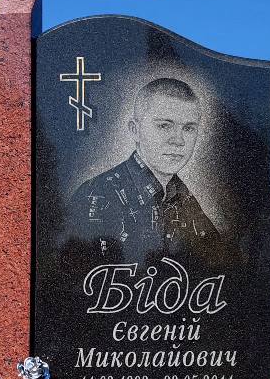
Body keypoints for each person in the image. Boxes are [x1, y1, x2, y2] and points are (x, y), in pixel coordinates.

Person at [68, 77, 219, 261]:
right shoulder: (96, 195)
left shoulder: (184, 198)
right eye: (164, 125)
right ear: (135, 130)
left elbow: (220, 265)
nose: (178, 140)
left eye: (188, 128)